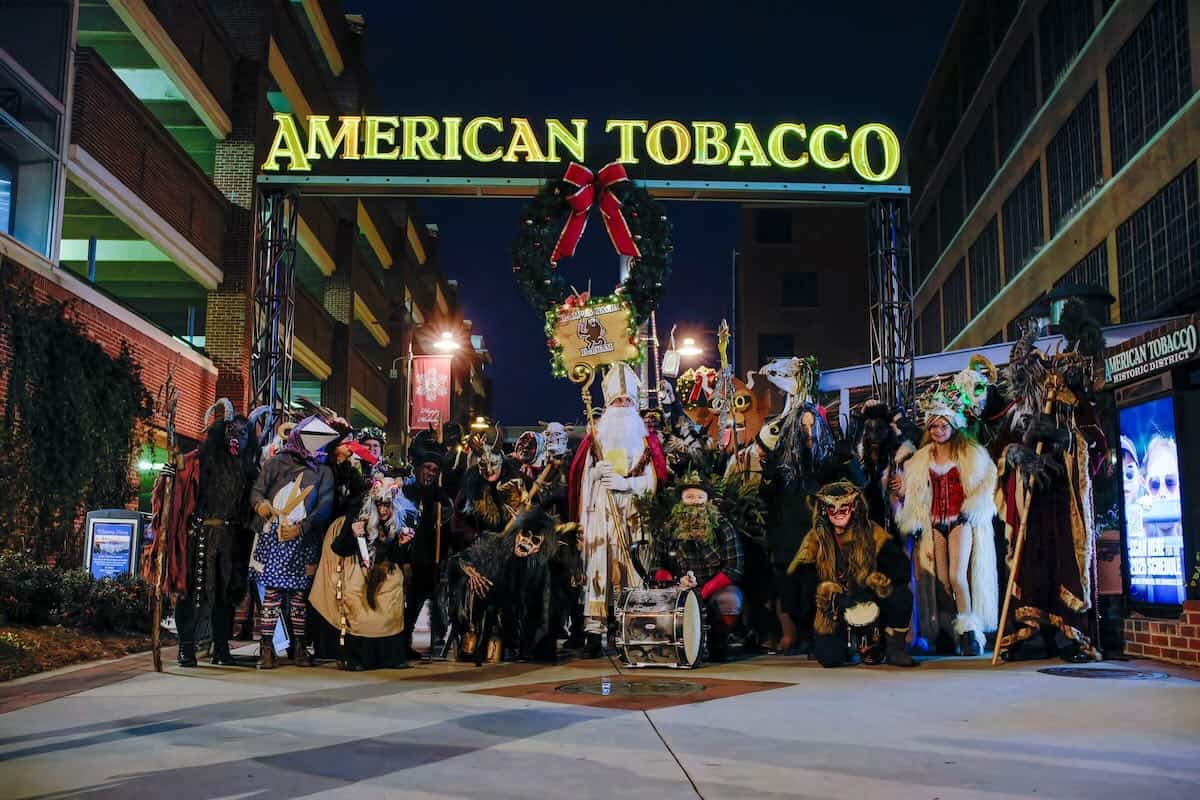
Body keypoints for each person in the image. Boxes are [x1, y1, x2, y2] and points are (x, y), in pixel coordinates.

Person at [994, 319, 1106, 662]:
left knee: (1065, 561)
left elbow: (1098, 449)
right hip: (1031, 495)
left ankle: (1071, 632)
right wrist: (1019, 454)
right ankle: (1030, 630)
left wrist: (1066, 439)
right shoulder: (1019, 412)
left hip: (1063, 497)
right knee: (1029, 561)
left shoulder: (1076, 406)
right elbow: (999, 449)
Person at [148, 399, 260, 667]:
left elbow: (253, 502)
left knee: (226, 596)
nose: (239, 438)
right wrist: (169, 476)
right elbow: (178, 487)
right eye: (234, 432)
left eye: (244, 434)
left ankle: (221, 649)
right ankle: (186, 649)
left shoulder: (248, 469)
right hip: (198, 538)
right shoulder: (197, 462)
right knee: (191, 593)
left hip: (231, 541)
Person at [568, 363, 667, 655]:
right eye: (617, 401)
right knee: (599, 573)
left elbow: (653, 482)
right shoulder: (594, 442)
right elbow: (582, 482)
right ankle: (593, 633)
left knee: (632, 573)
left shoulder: (646, 442)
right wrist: (595, 475)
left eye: (627, 401)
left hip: (633, 515)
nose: (622, 406)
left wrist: (627, 484)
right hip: (600, 516)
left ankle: (631, 630)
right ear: (608, 404)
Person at [895, 391, 999, 656]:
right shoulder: (920, 459)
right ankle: (952, 630)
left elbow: (987, 482)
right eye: (934, 425)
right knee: (941, 581)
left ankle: (969, 632)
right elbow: (916, 493)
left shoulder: (970, 453)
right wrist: (904, 493)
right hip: (933, 524)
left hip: (960, 520)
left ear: (953, 426)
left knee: (957, 577)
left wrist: (971, 508)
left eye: (944, 425)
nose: (939, 430)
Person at [788, 469, 917, 668]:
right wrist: (826, 596)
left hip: (867, 599)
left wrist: (874, 584)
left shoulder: (871, 531)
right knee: (829, 659)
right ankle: (844, 644)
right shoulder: (815, 539)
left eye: (844, 508)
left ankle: (894, 647)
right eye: (833, 509)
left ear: (854, 507)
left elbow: (900, 568)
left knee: (901, 595)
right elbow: (801, 579)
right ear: (824, 510)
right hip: (834, 606)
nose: (839, 514)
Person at [249, 415, 337, 669]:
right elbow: (257, 491)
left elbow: (324, 506)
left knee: (300, 596)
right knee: (272, 594)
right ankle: (267, 647)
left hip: (304, 539)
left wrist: (302, 529)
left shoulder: (324, 472)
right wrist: (262, 506)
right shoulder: (276, 463)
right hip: (273, 535)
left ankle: (299, 646)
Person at [309, 477, 417, 670]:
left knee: (390, 608)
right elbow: (339, 548)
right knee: (361, 611)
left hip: (388, 576)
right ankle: (358, 658)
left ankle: (390, 657)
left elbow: (399, 558)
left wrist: (402, 546)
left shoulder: (399, 523)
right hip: (360, 574)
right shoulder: (358, 516)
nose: (383, 510)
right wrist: (352, 533)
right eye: (380, 505)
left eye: (387, 506)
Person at [649, 474, 745, 661]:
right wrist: (675, 582)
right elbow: (656, 565)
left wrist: (704, 590)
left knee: (730, 599)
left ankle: (719, 642)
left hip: (713, 588)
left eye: (700, 498)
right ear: (681, 501)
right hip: (678, 588)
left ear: (708, 501)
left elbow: (735, 567)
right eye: (690, 497)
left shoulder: (722, 526)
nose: (695, 503)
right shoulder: (668, 528)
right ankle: (672, 644)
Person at [401, 430, 452, 659]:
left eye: (435, 470)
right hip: (409, 558)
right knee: (410, 604)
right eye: (427, 468)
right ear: (419, 467)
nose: (431, 473)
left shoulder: (438, 495)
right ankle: (403, 643)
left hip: (432, 558)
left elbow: (449, 517)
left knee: (436, 603)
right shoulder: (406, 490)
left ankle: (437, 643)